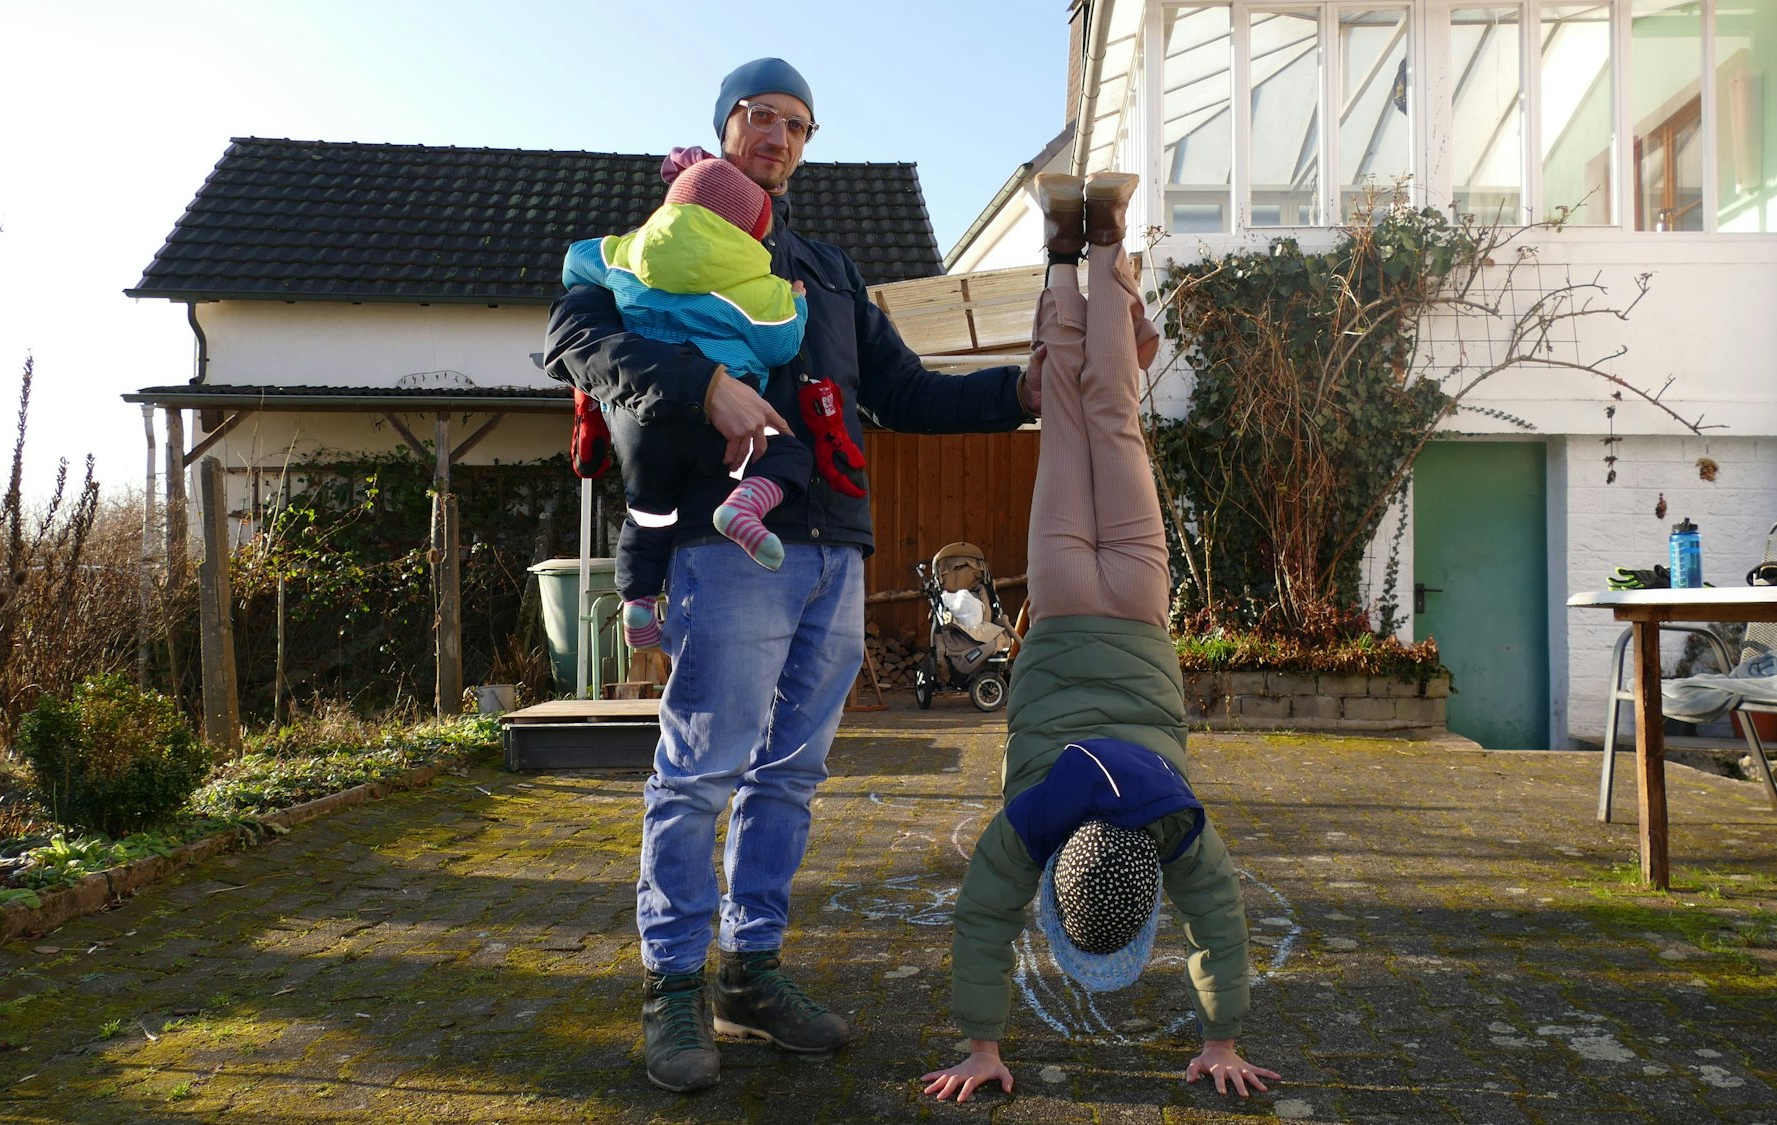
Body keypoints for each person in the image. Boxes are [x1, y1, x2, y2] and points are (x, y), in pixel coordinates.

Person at [544, 57, 1041, 1093]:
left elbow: (902, 392)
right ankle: (672, 984)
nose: (776, 136)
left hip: (834, 553)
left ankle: (751, 972)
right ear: (725, 127)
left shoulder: (827, 269)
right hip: (722, 550)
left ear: (806, 146)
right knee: (698, 775)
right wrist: (707, 384)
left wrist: (1021, 388)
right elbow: (575, 339)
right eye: (758, 117)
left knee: (790, 778)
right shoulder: (656, 242)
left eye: (795, 125)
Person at [919, 172, 1282, 1102]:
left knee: (1111, 417)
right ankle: (1059, 243)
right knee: (1065, 422)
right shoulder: (1029, 825)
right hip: (1066, 597)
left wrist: (1225, 1036)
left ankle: (1108, 238)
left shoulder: (1172, 825)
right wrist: (981, 1043)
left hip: (1139, 604)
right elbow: (983, 920)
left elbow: (1219, 923)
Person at [561, 155, 826, 649]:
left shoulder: (626, 251)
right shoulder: (754, 279)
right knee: (789, 450)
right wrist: (798, 303)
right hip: (725, 424)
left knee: (650, 513)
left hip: (643, 418)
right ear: (750, 228)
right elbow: (780, 345)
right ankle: (744, 507)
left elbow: (574, 262)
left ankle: (637, 602)